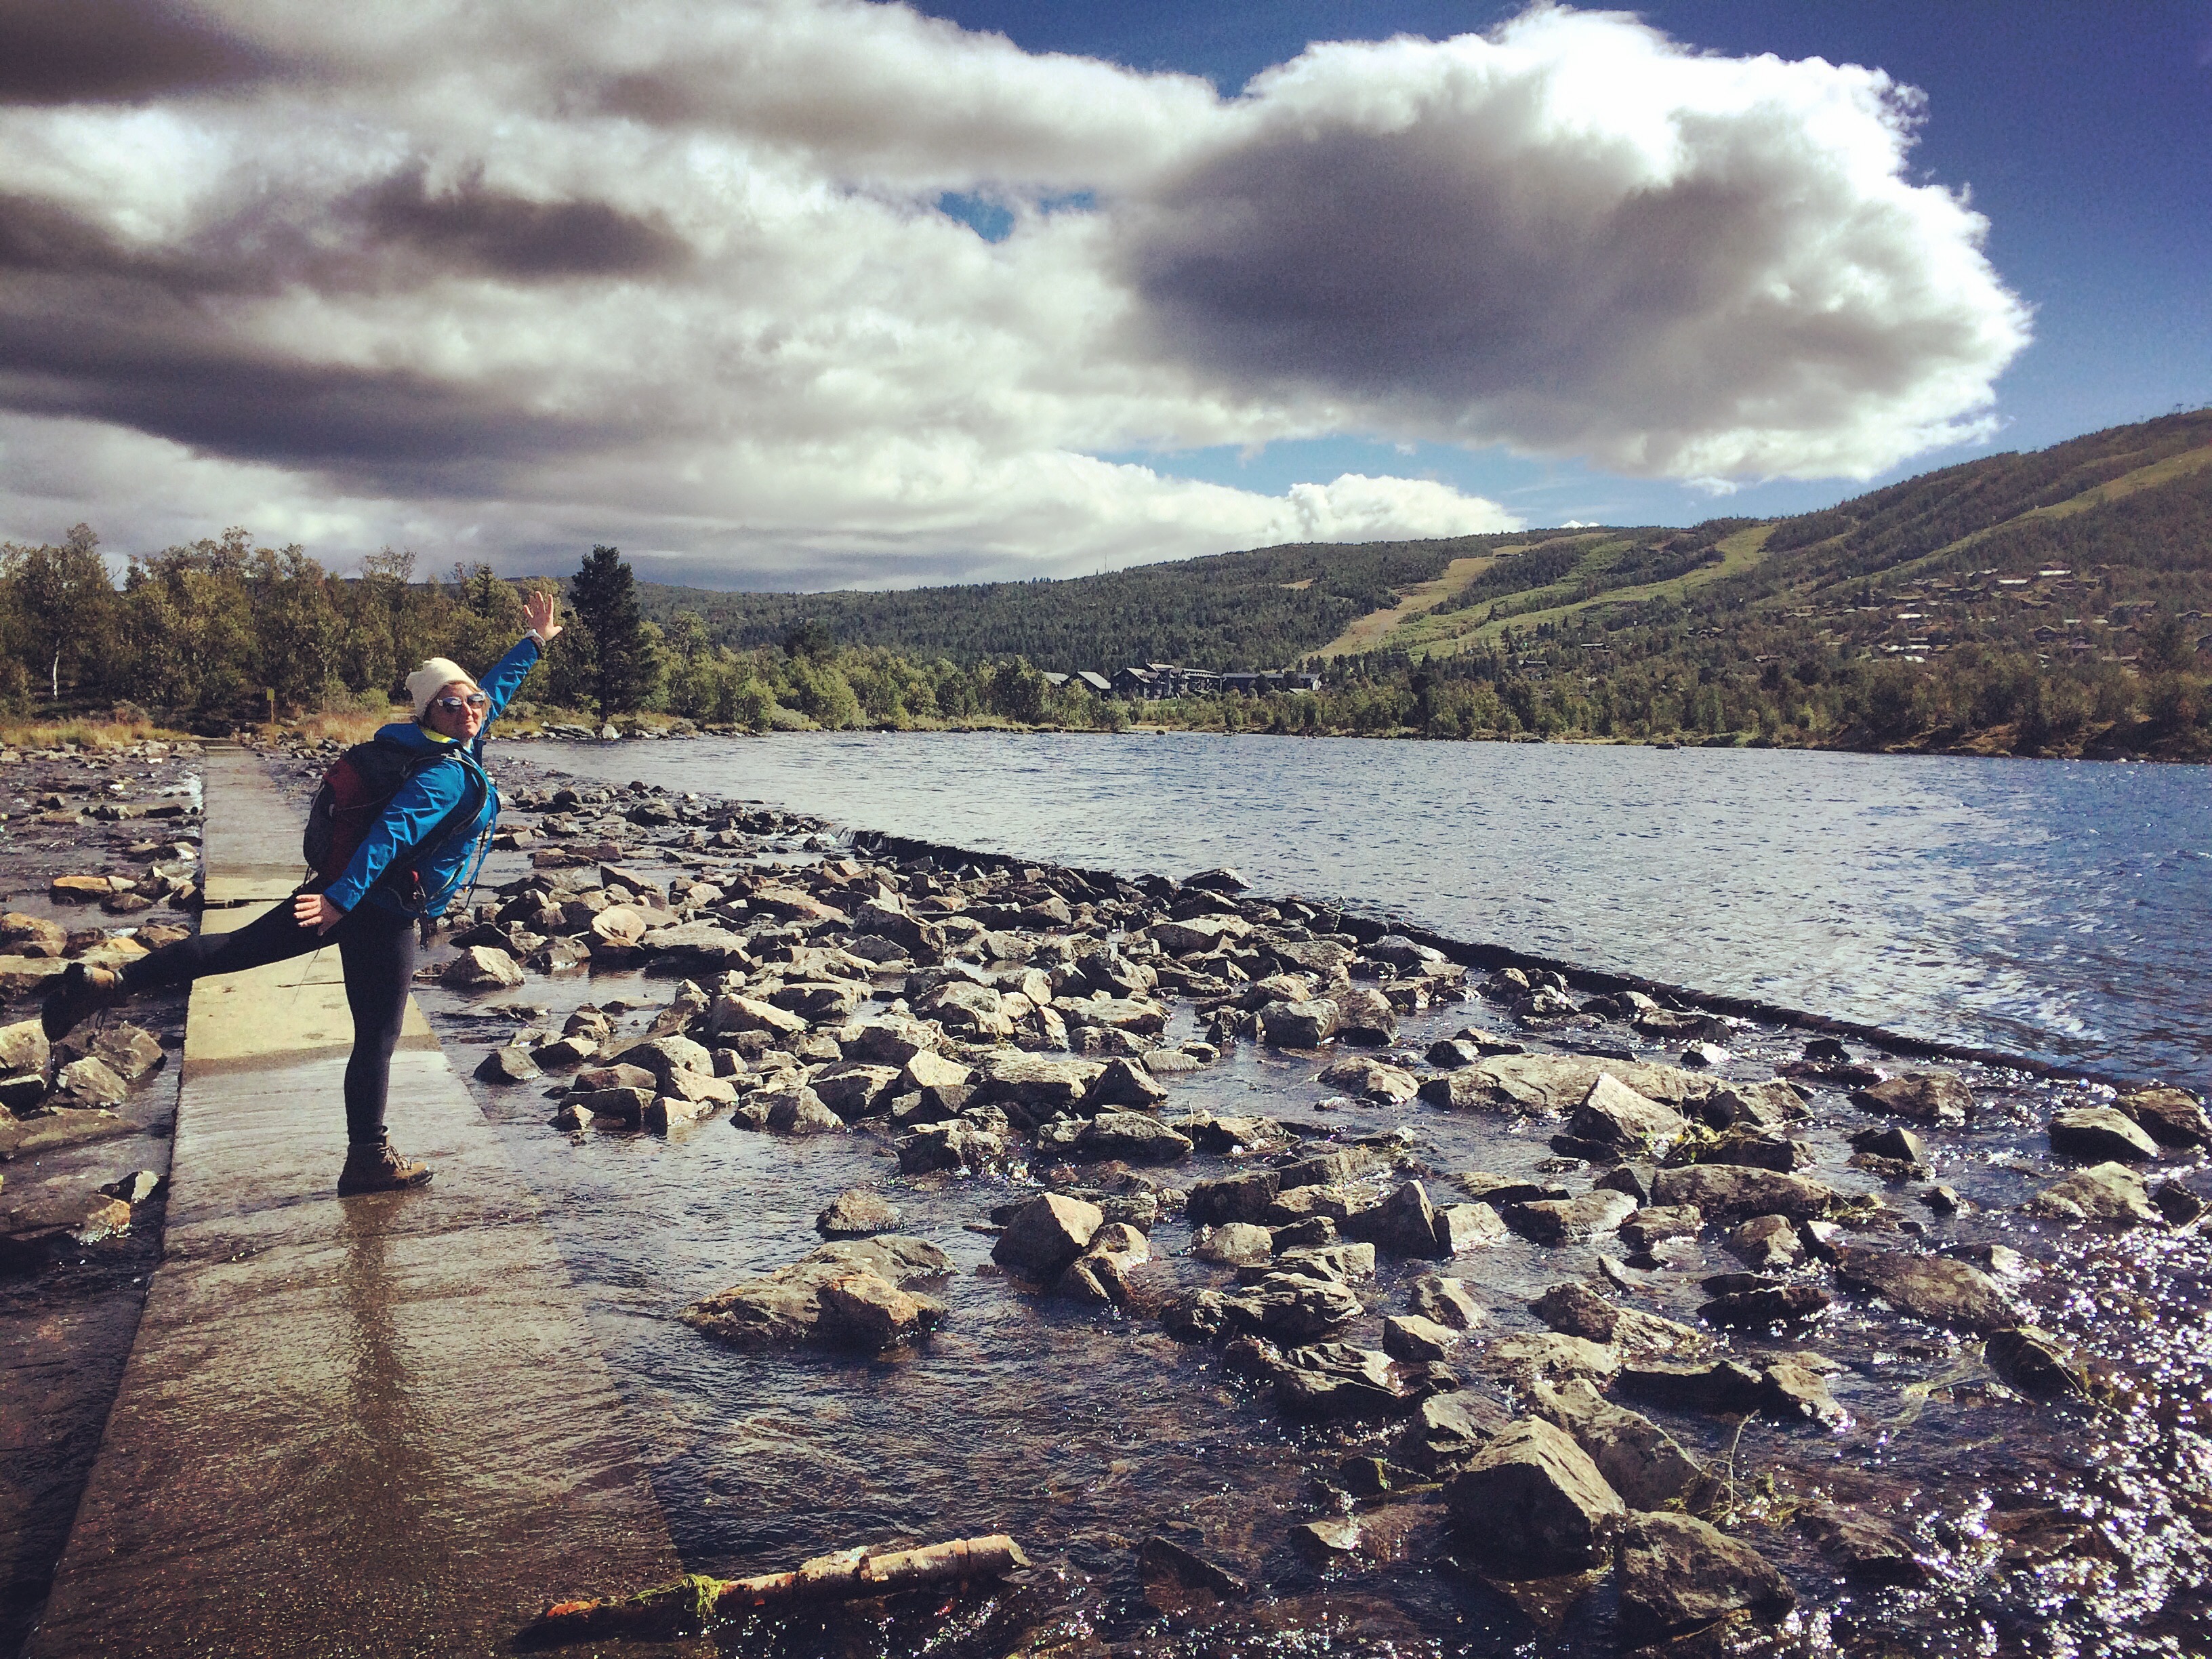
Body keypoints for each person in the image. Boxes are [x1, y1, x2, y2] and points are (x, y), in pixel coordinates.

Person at [41, 590, 565, 1195]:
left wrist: (533, 644)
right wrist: (342, 901)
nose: (471, 711)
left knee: (234, 948)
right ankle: (367, 1158)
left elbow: (494, 691)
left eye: (472, 701)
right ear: (430, 714)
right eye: (453, 705)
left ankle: (115, 982)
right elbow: (391, 836)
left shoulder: (442, 744)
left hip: (341, 894)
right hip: (377, 909)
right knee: (377, 1036)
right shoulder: (445, 774)